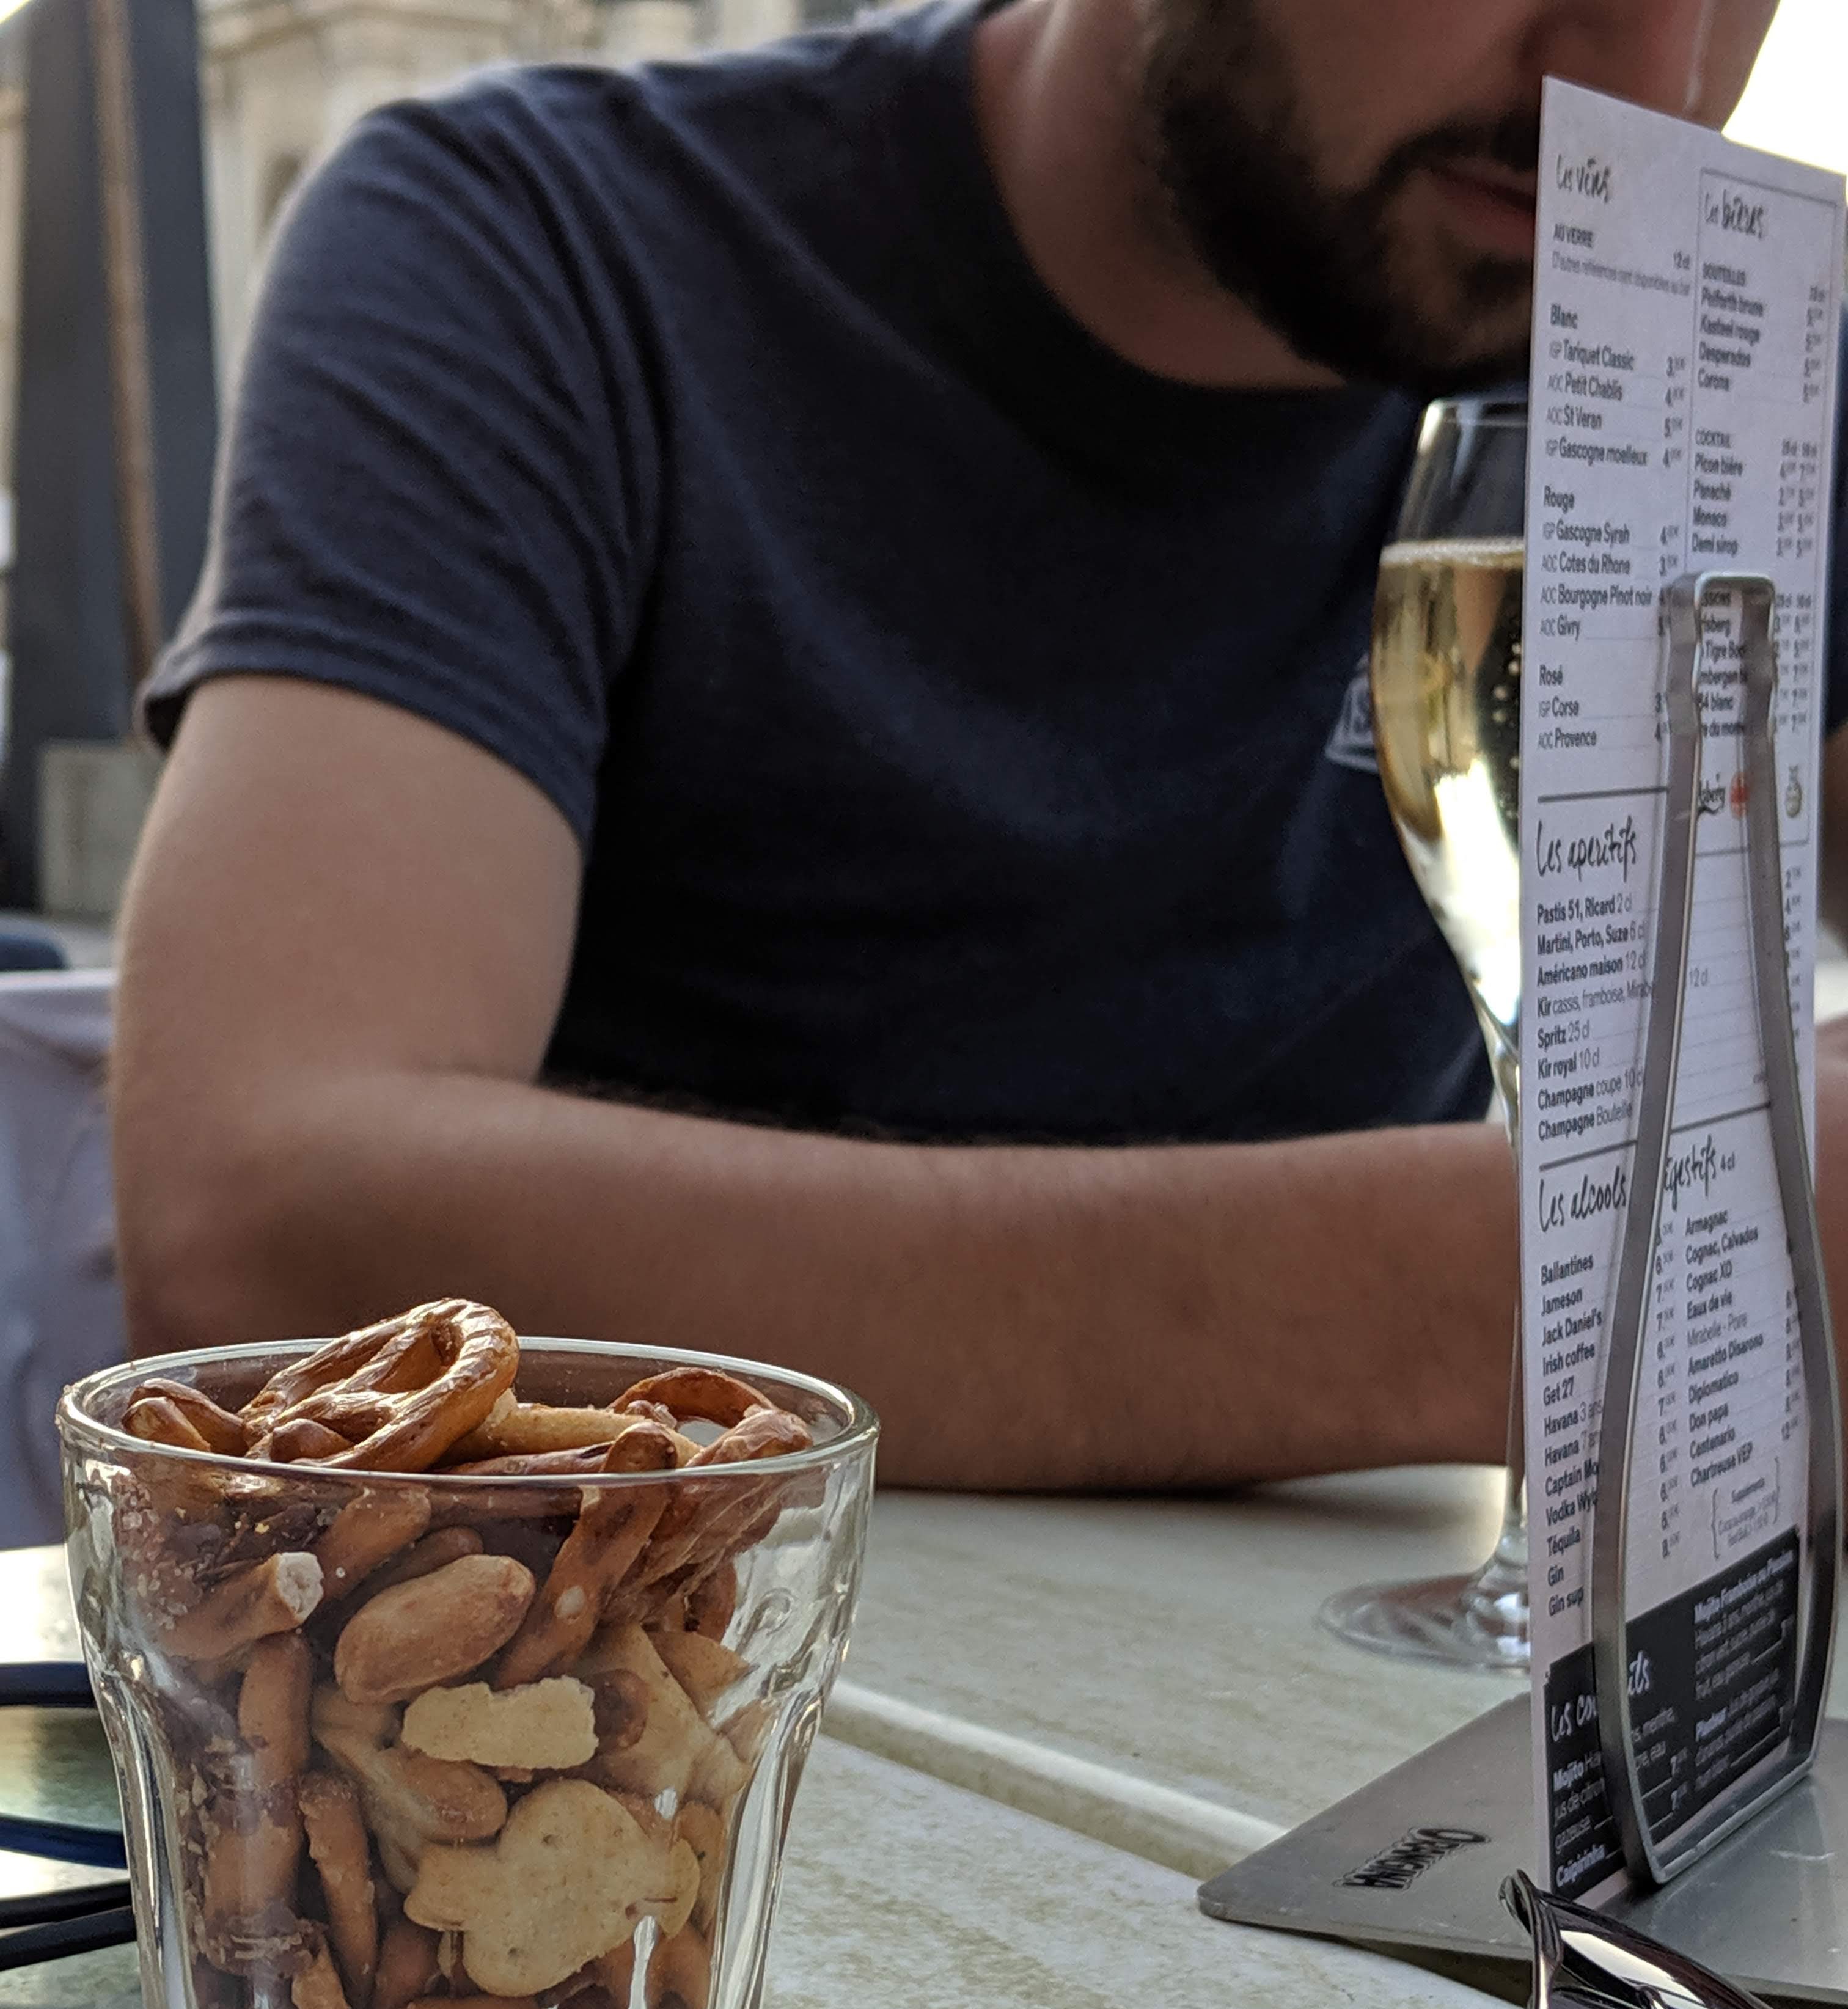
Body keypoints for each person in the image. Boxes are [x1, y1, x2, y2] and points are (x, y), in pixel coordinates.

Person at [114, 0, 1846, 1488]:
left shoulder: (1720, 377)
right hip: (661, 1707)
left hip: (1368, 1714)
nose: (1651, 77)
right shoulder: (548, 246)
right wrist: (1588, 1287)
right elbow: (260, 1228)